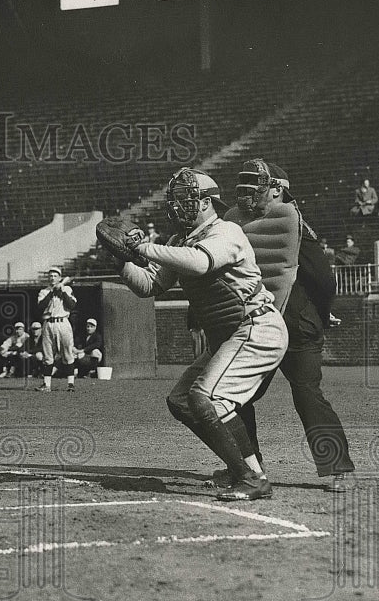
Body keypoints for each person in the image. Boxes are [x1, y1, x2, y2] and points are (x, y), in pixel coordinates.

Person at [104, 167, 288, 501]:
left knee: (208, 399)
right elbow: (151, 285)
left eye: (184, 199)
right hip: (230, 333)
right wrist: (123, 263)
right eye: (174, 199)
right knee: (182, 401)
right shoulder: (180, 242)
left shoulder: (225, 231)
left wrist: (144, 248)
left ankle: (251, 478)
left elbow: (201, 263)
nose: (175, 206)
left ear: (206, 202)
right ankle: (244, 470)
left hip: (256, 325)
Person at [225, 161, 355, 491]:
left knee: (244, 397)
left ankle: (250, 466)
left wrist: (321, 315)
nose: (248, 193)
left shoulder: (273, 225)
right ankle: (331, 469)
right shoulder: (273, 223)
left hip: (281, 323)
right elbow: (323, 278)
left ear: (278, 190)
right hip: (287, 321)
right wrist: (323, 313)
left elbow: (322, 278)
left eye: (257, 186)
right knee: (295, 393)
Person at [35, 267, 77, 392]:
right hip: (48, 323)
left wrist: (62, 290)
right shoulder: (43, 291)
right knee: (48, 355)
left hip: (63, 322)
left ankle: (70, 384)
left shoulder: (67, 289)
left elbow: (72, 305)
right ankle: (46, 385)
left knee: (67, 353)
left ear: (59, 278)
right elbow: (41, 306)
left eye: (55, 276)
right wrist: (52, 291)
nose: (52, 278)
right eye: (51, 276)